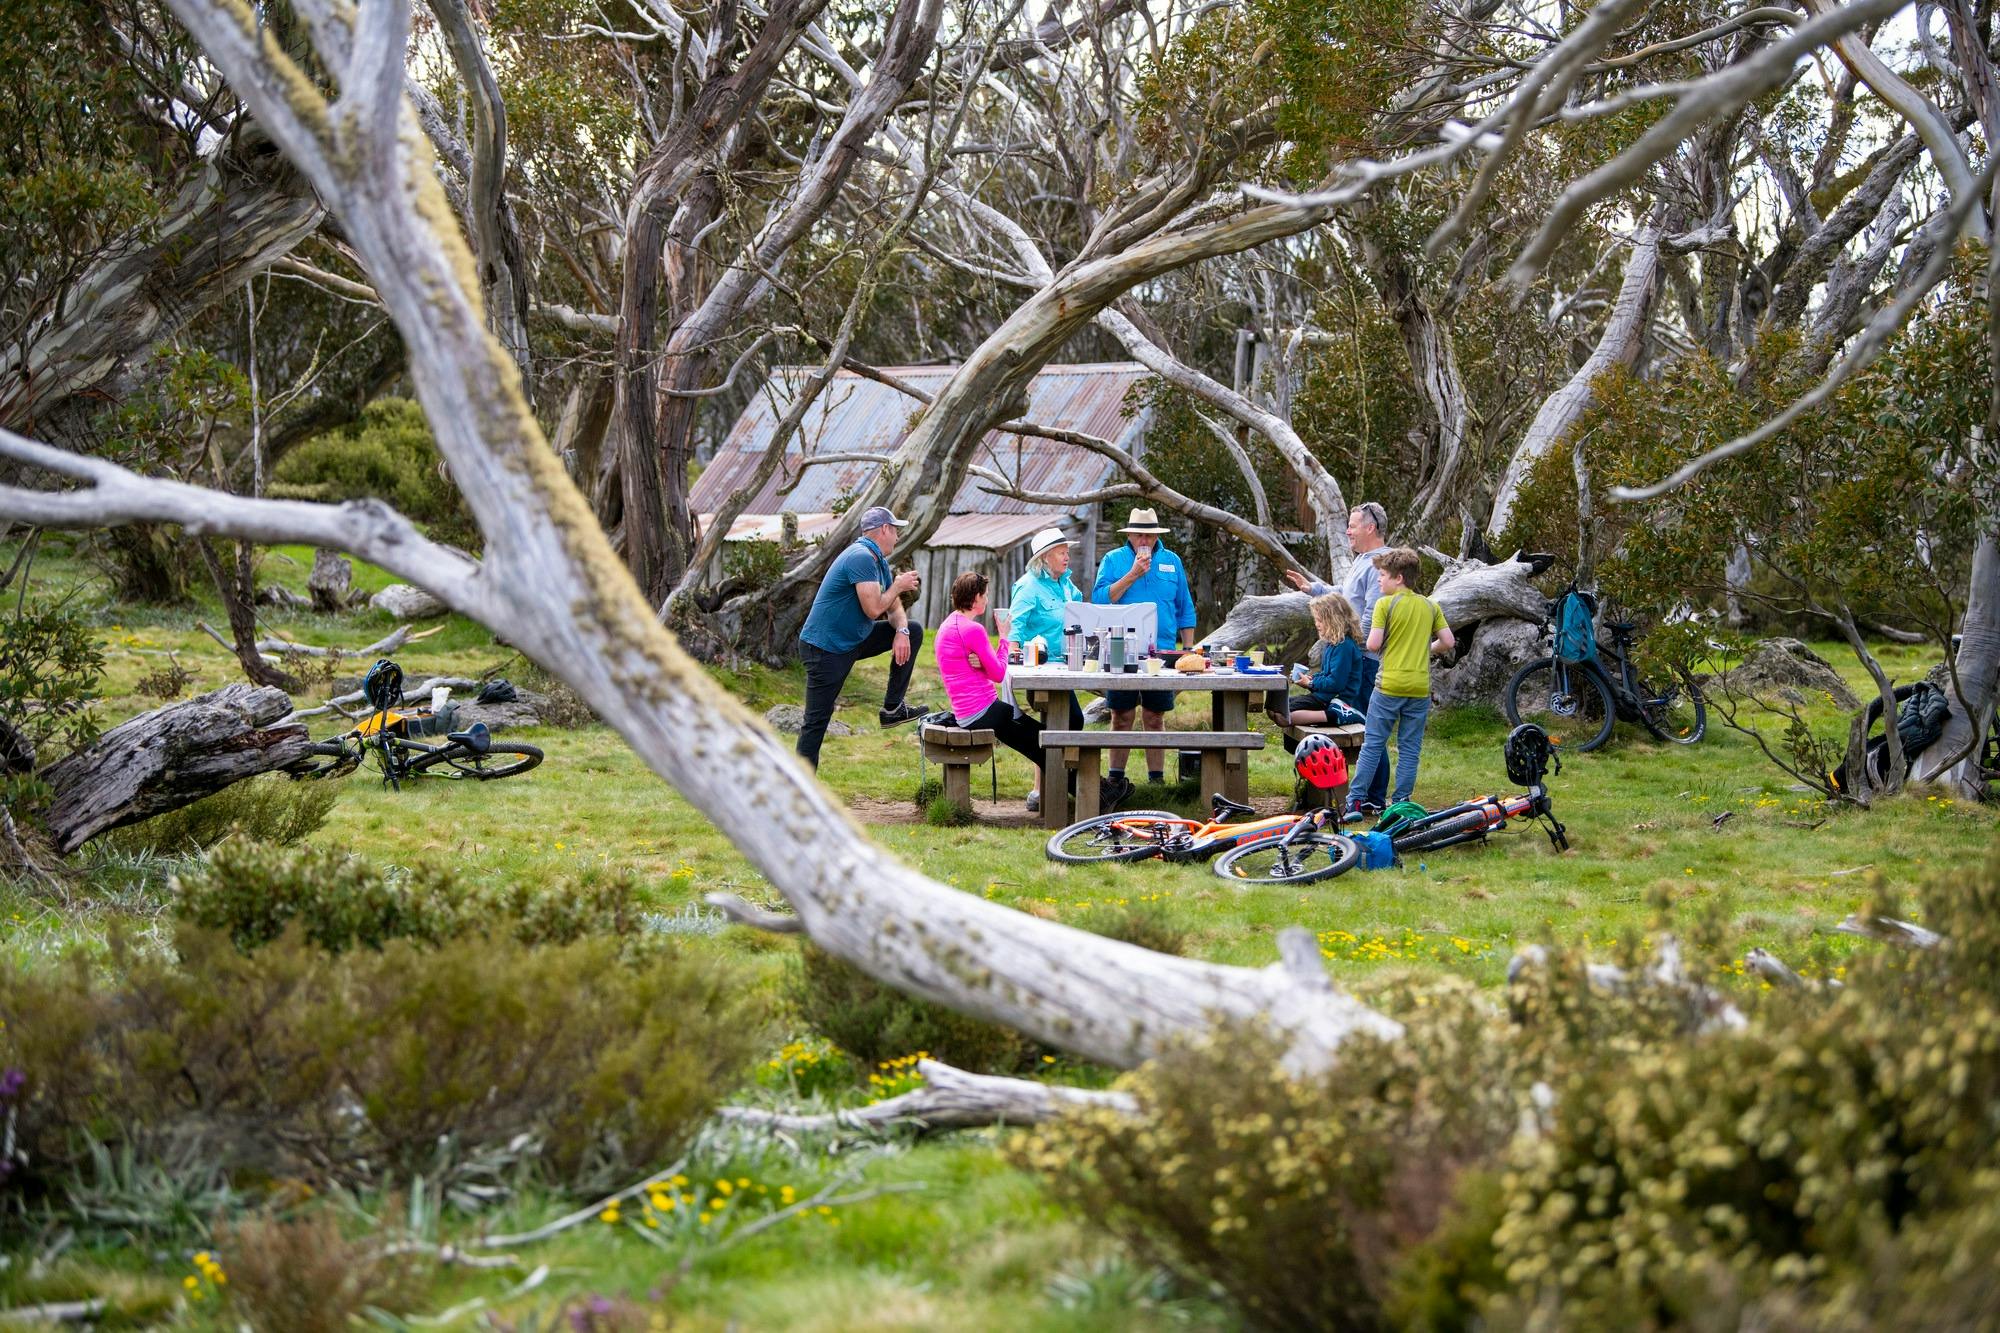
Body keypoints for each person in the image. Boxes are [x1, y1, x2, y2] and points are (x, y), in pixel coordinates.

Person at [794, 505, 925, 769]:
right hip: (825, 648)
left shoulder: (878, 562)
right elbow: (874, 608)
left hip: (851, 640)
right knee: (816, 721)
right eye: (895, 531)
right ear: (884, 529)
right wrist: (898, 585)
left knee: (914, 630)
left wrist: (900, 631)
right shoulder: (861, 557)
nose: (897, 537)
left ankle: (892, 709)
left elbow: (893, 607)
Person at [1091, 507, 1197, 808]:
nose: (1144, 540)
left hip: (1161, 651)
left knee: (1154, 715)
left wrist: (1187, 649)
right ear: (1130, 535)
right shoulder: (1113, 560)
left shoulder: (1172, 561)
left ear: (1156, 535)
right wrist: (1133, 574)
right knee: (1121, 715)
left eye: (1149, 534)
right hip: (1120, 648)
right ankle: (1115, 779)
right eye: (1139, 534)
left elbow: (1185, 608)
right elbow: (1099, 599)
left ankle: (1156, 780)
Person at [1285, 500, 1388, 804]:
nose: (1348, 531)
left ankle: (1374, 795)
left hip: (1365, 660)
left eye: (1353, 526)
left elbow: (1371, 614)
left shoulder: (1379, 563)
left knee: (1367, 728)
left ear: (1371, 528)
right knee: (1359, 723)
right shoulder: (1363, 559)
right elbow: (1346, 595)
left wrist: (1349, 643)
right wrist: (1314, 589)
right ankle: (1342, 785)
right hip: (1355, 652)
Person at [1346, 546, 1455, 815]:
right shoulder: (1430, 605)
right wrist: (1425, 649)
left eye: (1383, 575)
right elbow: (1448, 642)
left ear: (1398, 578)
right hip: (1419, 689)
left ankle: (1356, 800)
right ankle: (1402, 802)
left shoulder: (1385, 604)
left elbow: (1372, 645)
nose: (1379, 580)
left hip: (1388, 686)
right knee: (1409, 749)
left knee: (1373, 744)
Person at [934, 571, 1047, 804]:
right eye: (985, 595)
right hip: (981, 713)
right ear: (975, 598)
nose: (987, 600)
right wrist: (1004, 638)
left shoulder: (947, 625)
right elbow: (998, 673)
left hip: (967, 714)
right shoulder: (973, 630)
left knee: (1038, 738)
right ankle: (1094, 791)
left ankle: (1096, 789)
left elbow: (986, 668)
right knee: (1044, 741)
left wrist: (984, 665)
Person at [1009, 527, 1082, 814]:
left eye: (1067, 552)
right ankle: (1049, 788)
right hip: (1039, 668)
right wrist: (1013, 657)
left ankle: (1049, 788)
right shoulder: (1028, 587)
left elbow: (1081, 612)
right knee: (1066, 721)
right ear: (1045, 557)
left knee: (1066, 723)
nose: (1067, 557)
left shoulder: (1066, 584)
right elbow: (1015, 627)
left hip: (1067, 665)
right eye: (1062, 552)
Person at [1286, 593, 1370, 727]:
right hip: (1325, 696)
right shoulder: (1332, 644)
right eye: (1316, 620)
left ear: (1334, 620)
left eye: (1320, 620)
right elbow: (1328, 675)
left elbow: (1336, 683)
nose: (1317, 624)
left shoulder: (1344, 646)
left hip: (1336, 701)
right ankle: (1331, 715)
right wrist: (1309, 680)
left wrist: (1311, 684)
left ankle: (1337, 715)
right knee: (1278, 707)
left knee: (1282, 715)